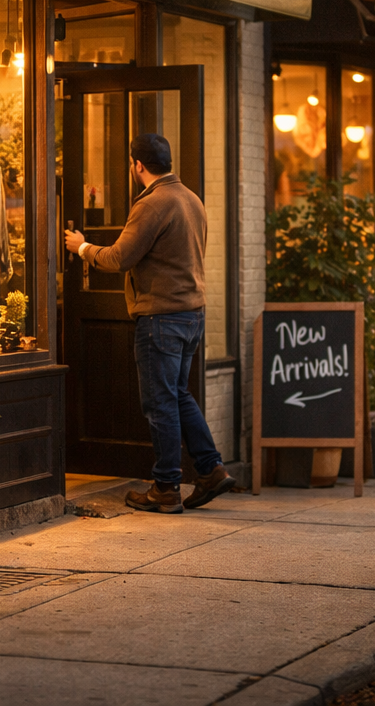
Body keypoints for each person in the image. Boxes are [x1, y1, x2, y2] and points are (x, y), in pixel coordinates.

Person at [63, 134, 235, 514]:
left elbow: (119, 258)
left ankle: (166, 487)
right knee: (177, 395)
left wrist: (82, 247)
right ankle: (211, 469)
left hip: (161, 317)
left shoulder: (153, 203)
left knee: (160, 403)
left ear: (137, 165)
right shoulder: (191, 199)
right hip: (191, 314)